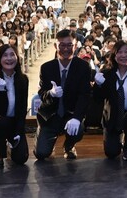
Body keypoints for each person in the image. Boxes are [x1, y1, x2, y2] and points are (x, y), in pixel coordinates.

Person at [34, 29, 91, 160]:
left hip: (70, 115)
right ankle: (43, 135)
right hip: (50, 115)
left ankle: (69, 146)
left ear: (75, 46)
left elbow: (84, 95)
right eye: (62, 45)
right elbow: (42, 94)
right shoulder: (46, 67)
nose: (66, 49)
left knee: (79, 129)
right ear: (56, 46)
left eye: (69, 45)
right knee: (41, 154)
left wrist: (77, 117)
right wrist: (51, 93)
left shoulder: (83, 67)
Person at [93, 40, 127, 160]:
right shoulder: (106, 73)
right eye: (120, 52)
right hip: (112, 115)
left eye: (126, 52)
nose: (123, 55)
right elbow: (97, 98)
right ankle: (114, 138)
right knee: (111, 153)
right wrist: (98, 85)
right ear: (114, 55)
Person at [0, 44, 29, 169]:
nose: (9, 58)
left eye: (12, 55)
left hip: (14, 121)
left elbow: (22, 107)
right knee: (3, 122)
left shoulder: (23, 79)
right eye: (5, 55)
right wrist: (1, 90)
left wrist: (20, 130)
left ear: (17, 58)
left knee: (21, 158)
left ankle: (10, 147)